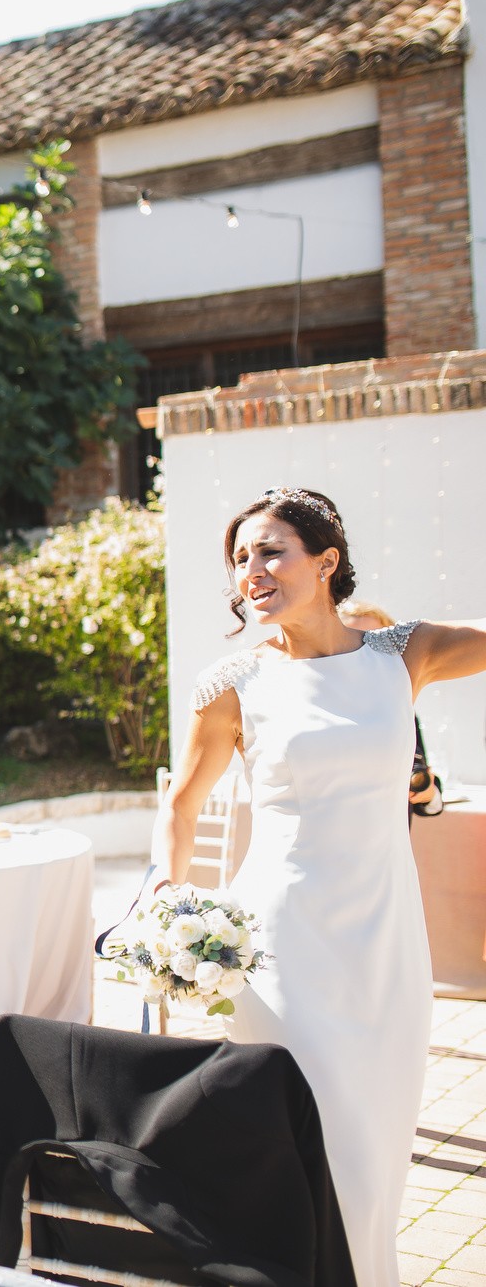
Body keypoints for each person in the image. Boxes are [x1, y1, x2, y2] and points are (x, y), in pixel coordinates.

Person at [160, 486, 486, 1287]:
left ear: (326, 561)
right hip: (280, 948)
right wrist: (170, 901)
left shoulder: (404, 653)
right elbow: (182, 806)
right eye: (240, 558)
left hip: (386, 945)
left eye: (270, 551)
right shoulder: (233, 682)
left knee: (373, 1148)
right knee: (296, 1141)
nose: (252, 570)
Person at [339, 598, 445, 817]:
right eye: (354, 643)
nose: (365, 653)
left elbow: (424, 787)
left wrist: (427, 793)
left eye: (378, 643)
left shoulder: (402, 713)